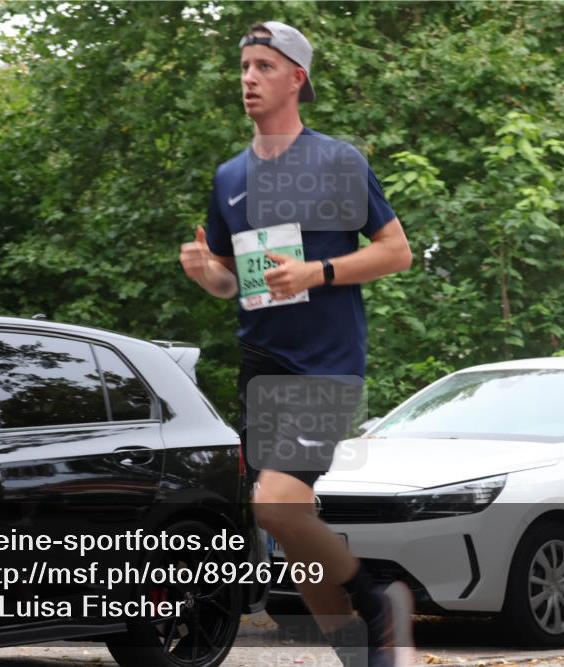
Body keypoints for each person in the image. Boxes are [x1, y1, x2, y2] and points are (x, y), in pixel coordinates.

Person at [179, 20, 415, 667]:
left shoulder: (337, 161)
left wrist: (319, 271)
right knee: (291, 524)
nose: (249, 78)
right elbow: (234, 281)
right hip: (262, 362)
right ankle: (362, 654)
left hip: (326, 362)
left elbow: (397, 251)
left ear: (296, 78)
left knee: (275, 503)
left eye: (263, 66)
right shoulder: (230, 175)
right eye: (245, 66)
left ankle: (377, 595)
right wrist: (209, 275)